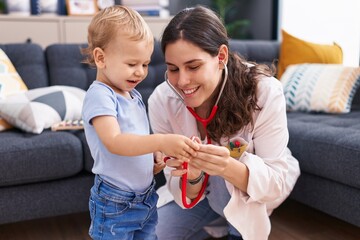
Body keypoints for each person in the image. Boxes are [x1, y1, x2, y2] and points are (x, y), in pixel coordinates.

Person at [148, 6, 301, 240]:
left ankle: (233, 227)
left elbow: (275, 181)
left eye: (193, 66)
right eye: (173, 69)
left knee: (236, 212)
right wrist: (195, 174)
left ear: (221, 57)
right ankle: (215, 221)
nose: (182, 81)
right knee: (154, 235)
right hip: (198, 194)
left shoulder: (265, 91)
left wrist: (224, 167)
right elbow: (176, 183)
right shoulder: (161, 100)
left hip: (251, 189)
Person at [81, 6, 200, 240]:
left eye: (145, 64)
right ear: (100, 58)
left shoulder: (133, 95)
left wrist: (153, 155)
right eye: (132, 64)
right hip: (115, 201)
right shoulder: (100, 95)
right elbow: (115, 141)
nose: (140, 72)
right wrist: (161, 141)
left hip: (145, 196)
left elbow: (136, 135)